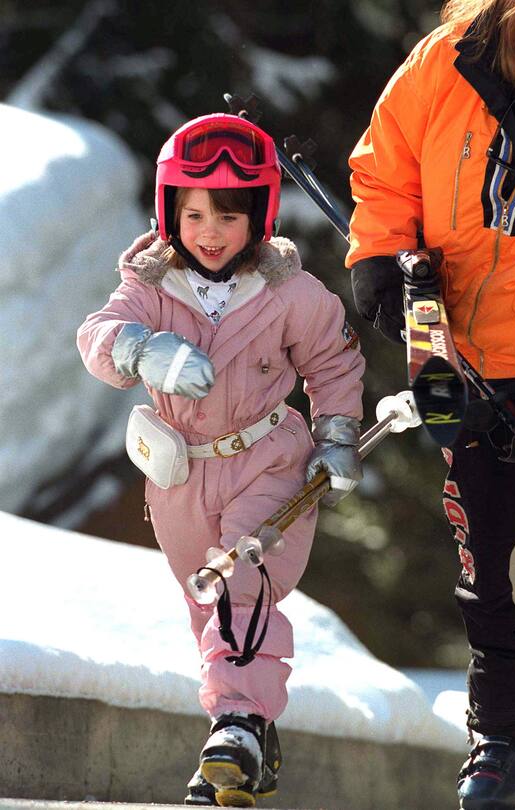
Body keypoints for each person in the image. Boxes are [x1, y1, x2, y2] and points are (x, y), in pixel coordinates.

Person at [77, 113, 364, 807]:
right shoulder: (148, 284)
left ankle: (234, 723)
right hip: (179, 479)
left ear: (258, 218)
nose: (210, 230)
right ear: (169, 210)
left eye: (228, 216)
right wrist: (143, 350)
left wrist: (337, 435)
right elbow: (97, 336)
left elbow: (332, 359)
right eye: (195, 211)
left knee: (241, 582)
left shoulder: (289, 291)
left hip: (269, 460)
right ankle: (246, 738)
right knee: (211, 608)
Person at [345, 0, 515, 808]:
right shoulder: (447, 56)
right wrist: (384, 258)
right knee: (488, 570)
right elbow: (386, 168)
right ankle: (498, 740)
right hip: (463, 362)